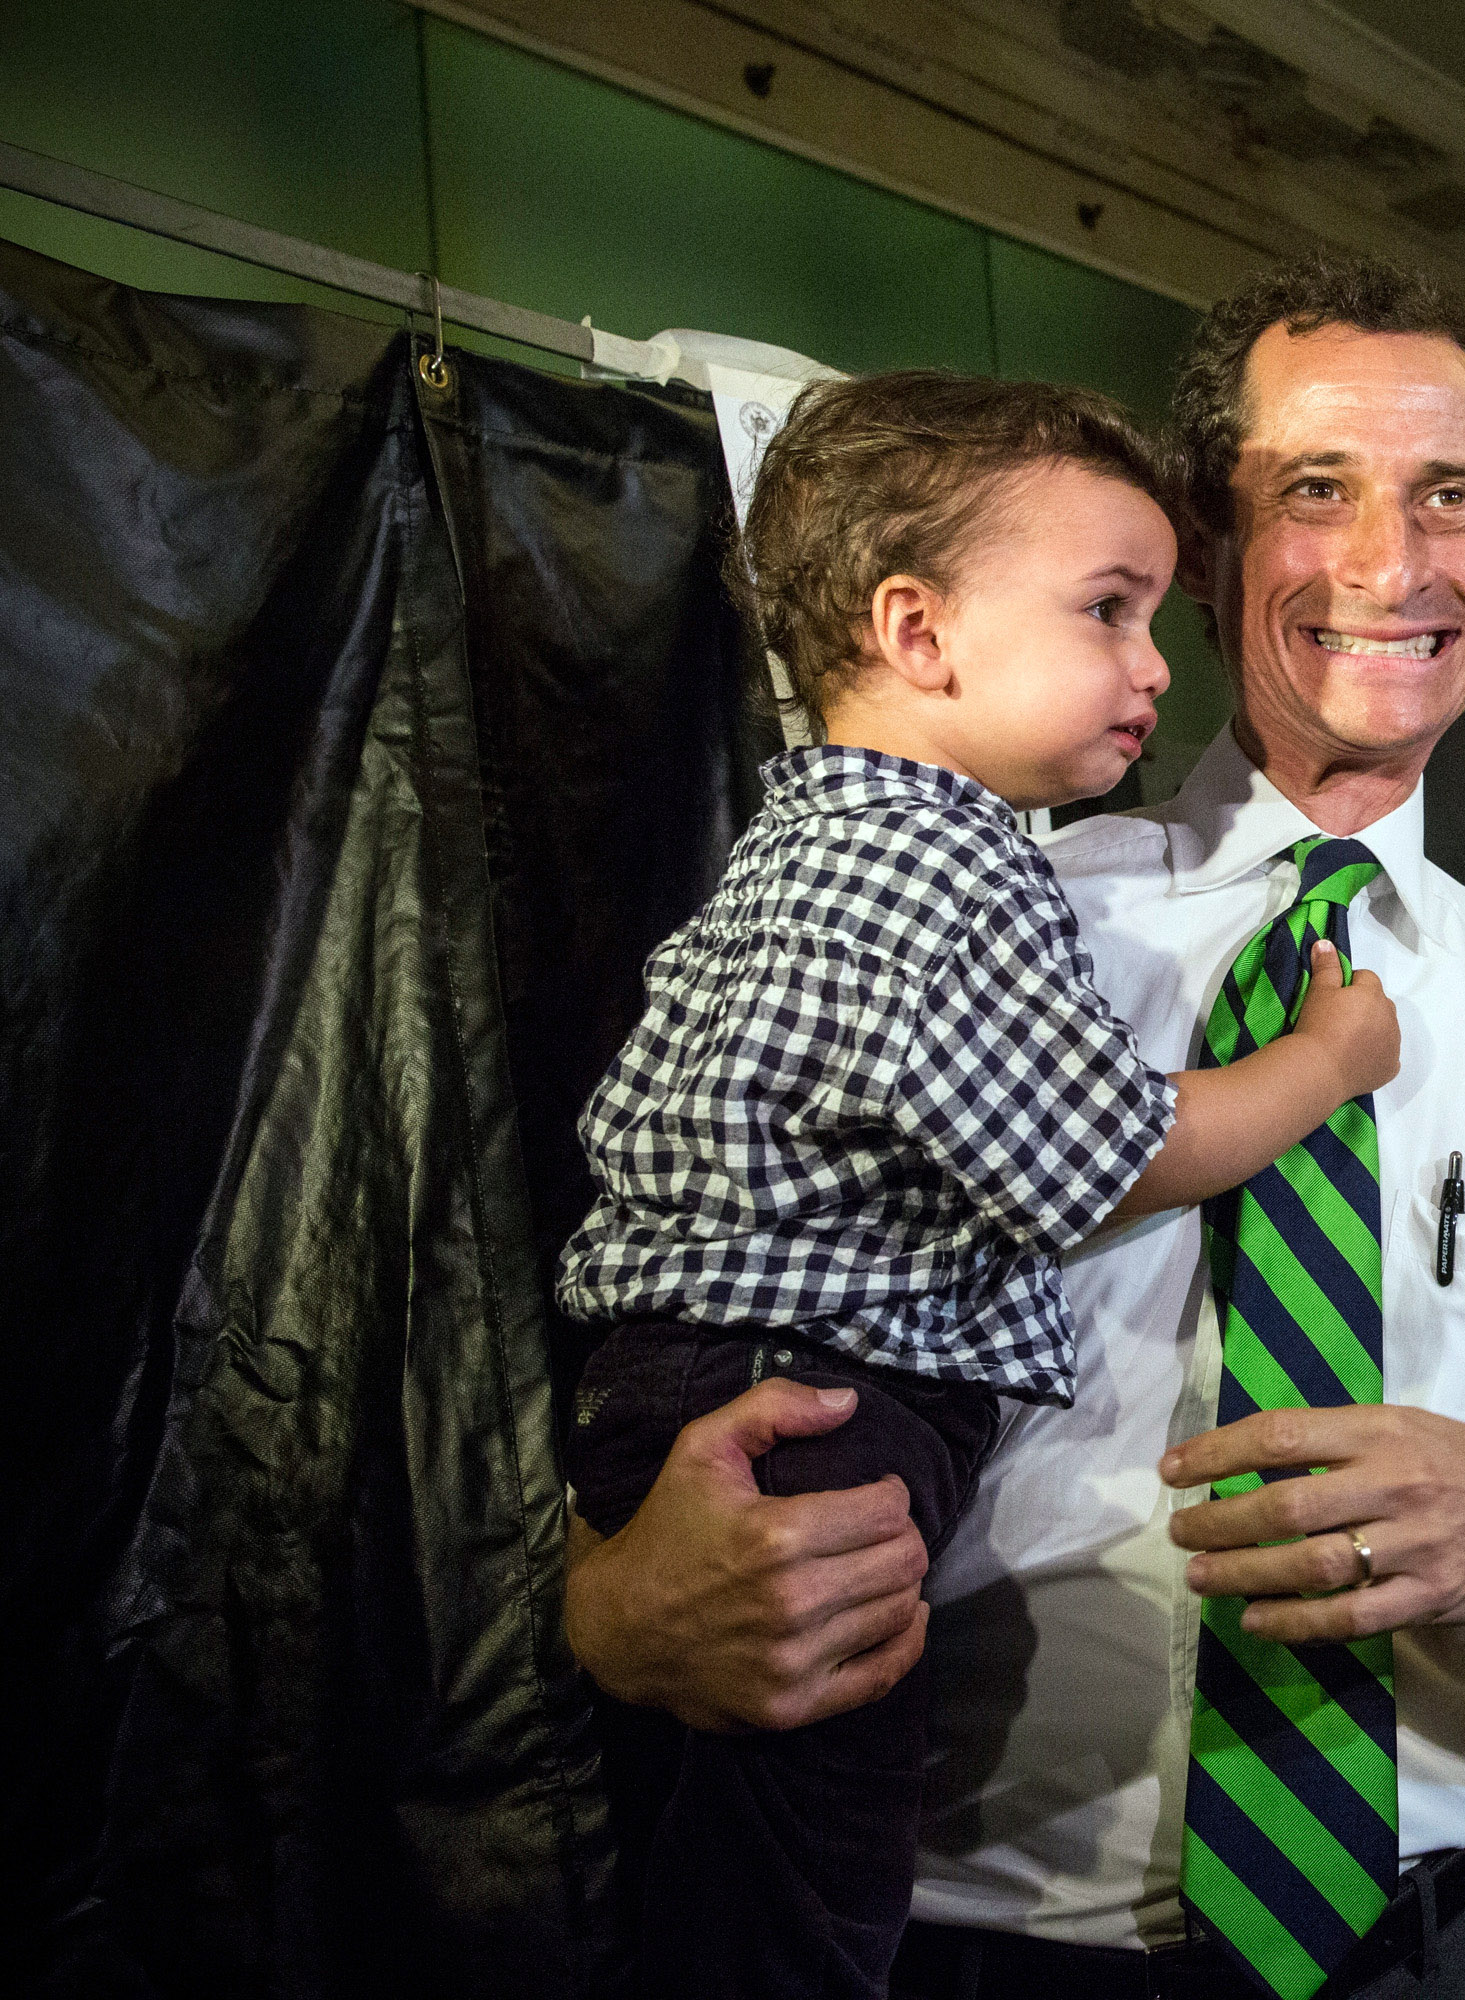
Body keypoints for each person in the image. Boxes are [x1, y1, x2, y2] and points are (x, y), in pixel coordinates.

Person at [561, 254, 1465, 2000]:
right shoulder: (946, 925)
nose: (1391, 566)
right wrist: (608, 1598)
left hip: (1435, 1948)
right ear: (1211, 550)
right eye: (1317, 492)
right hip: (952, 1949)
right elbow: (665, 1305)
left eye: (1447, 497)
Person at [552, 374, 1407, 2000]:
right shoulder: (933, 868)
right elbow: (1113, 1154)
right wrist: (1329, 1063)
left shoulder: (824, 838)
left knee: (745, 1851)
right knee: (807, 1885)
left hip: (729, 1378)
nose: (1157, 663)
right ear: (918, 632)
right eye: (1108, 610)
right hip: (801, 1407)